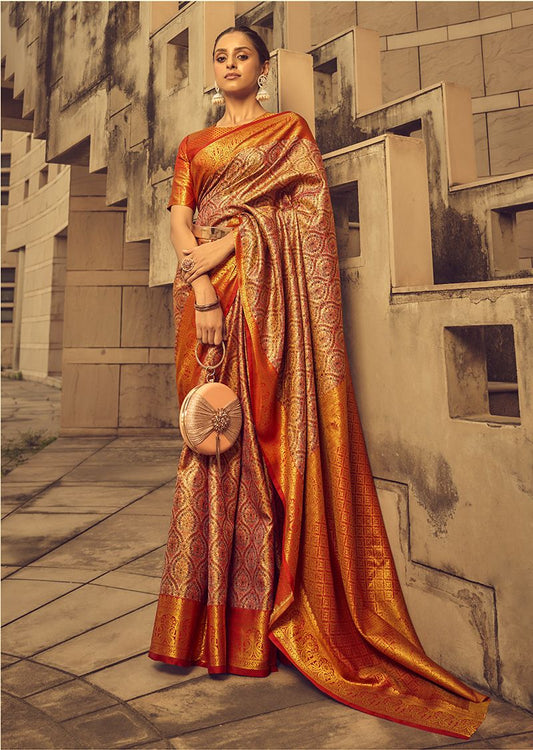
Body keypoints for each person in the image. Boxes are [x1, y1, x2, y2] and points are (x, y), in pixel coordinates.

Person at [148, 24, 490, 739]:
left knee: (261, 449)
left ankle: (264, 623)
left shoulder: (288, 132)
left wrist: (233, 239)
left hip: (268, 301)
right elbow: (178, 221)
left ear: (263, 67)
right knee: (208, 450)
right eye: (221, 56)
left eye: (243, 55)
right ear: (213, 70)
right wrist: (205, 287)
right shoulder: (192, 146)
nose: (231, 64)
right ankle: (207, 626)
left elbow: (302, 219)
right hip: (207, 301)